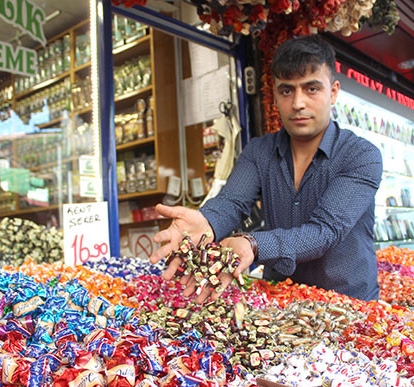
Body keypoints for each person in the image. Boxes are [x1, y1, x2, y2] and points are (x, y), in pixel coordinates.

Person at [149, 34, 383, 303]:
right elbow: (232, 202)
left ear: (334, 92)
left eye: (311, 89)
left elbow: (325, 231)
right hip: (280, 302)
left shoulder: (361, 156)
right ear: (274, 94)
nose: (298, 103)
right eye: (287, 90)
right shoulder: (259, 151)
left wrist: (254, 244)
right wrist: (207, 222)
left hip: (349, 307)